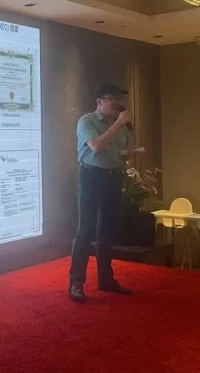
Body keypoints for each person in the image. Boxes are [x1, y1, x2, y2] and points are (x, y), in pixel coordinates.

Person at [69, 84, 142, 303]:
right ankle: (76, 283)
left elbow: (118, 152)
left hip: (113, 176)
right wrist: (118, 124)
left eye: (120, 99)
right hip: (91, 176)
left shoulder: (121, 125)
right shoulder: (87, 121)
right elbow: (96, 146)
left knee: (108, 230)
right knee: (86, 230)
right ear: (99, 102)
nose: (118, 103)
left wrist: (128, 154)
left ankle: (106, 280)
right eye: (114, 99)